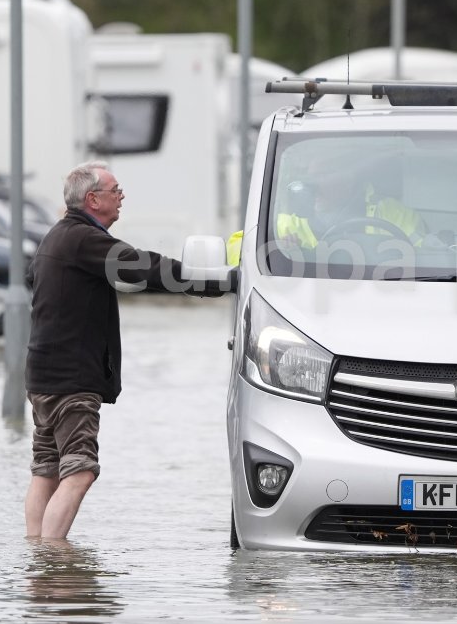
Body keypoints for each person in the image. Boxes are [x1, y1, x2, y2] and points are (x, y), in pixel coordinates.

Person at [24, 161, 185, 539]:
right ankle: (53, 561)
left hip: (42, 376)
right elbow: (141, 266)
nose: (122, 195)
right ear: (93, 199)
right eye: (116, 190)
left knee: (46, 469)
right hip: (70, 379)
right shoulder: (83, 239)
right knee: (80, 471)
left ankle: (35, 559)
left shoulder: (56, 237)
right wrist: (205, 278)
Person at [226, 157, 426, 265]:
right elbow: (237, 250)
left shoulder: (393, 214)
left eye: (322, 176)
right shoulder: (288, 221)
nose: (312, 186)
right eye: (310, 178)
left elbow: (427, 254)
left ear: (348, 180)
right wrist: (278, 250)